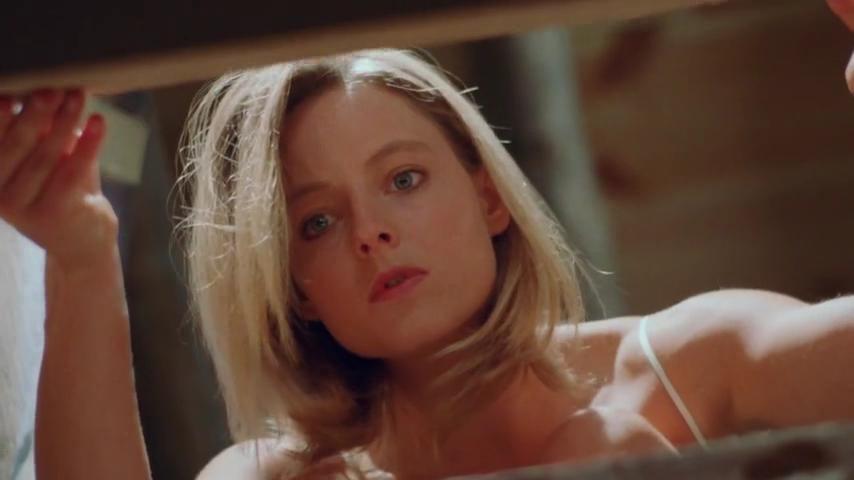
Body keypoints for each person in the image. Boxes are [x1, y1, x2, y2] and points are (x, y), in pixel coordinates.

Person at [1, 2, 853, 479]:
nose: (371, 232)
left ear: (489, 198)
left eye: (404, 178)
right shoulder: (277, 476)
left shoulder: (688, 364)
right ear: (296, 287)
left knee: (604, 453)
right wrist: (80, 258)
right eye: (318, 221)